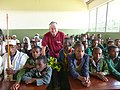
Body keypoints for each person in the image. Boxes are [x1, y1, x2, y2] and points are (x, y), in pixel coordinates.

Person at [42, 21, 66, 89]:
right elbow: (43, 48)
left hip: (61, 56)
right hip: (52, 57)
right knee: (52, 72)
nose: (53, 30)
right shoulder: (46, 36)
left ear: (57, 28)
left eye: (55, 28)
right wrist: (44, 60)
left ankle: (60, 86)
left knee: (61, 72)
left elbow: (66, 46)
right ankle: (55, 86)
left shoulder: (62, 35)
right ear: (49, 29)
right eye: (51, 28)